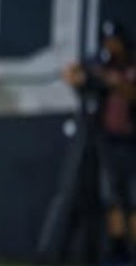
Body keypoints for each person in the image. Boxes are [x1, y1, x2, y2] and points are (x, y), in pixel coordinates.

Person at [63, 20, 136, 264]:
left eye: (114, 41)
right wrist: (81, 76)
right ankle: (119, 250)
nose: (111, 46)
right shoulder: (103, 65)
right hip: (109, 141)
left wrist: (111, 80)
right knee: (112, 196)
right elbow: (80, 76)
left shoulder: (130, 67)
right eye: (107, 41)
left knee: (133, 198)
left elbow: (128, 91)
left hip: (131, 142)